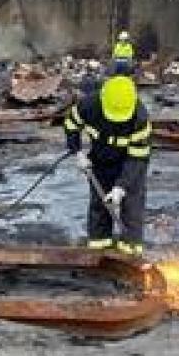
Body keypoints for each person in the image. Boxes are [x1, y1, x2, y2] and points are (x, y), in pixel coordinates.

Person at [63, 74, 151, 255]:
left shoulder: (140, 118)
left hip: (128, 162)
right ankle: (99, 248)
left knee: (132, 207)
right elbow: (71, 125)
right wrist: (77, 152)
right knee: (100, 203)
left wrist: (121, 187)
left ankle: (131, 252)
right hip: (100, 159)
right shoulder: (88, 106)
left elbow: (137, 158)